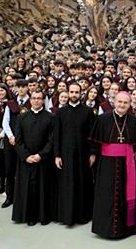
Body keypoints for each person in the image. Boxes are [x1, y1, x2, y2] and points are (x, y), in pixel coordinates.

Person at [89, 91, 136, 238]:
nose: (122, 105)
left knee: (132, 192)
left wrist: (124, 151)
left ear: (129, 104)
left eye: (125, 102)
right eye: (119, 102)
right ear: (114, 102)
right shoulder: (102, 119)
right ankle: (104, 228)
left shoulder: (133, 121)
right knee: (106, 194)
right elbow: (94, 142)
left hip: (127, 163)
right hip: (106, 164)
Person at [53, 82, 96, 226]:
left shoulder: (88, 111)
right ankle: (66, 216)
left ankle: (82, 216)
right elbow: (56, 134)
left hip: (83, 154)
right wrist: (57, 155)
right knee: (67, 184)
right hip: (65, 154)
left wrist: (92, 153)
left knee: (82, 183)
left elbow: (92, 134)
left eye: (77, 92)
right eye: (71, 92)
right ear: (67, 93)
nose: (74, 95)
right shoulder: (60, 112)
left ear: (81, 93)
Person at [12, 91, 56, 226]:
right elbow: (18, 140)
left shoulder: (51, 117)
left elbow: (52, 140)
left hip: (43, 160)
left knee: (44, 188)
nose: (36, 101)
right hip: (26, 160)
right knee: (27, 189)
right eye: (34, 98)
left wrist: (41, 155)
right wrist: (26, 156)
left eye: (39, 98)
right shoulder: (22, 117)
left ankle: (43, 216)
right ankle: (29, 216)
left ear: (43, 100)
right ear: (30, 100)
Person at [1, 80, 31, 208]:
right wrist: (11, 136)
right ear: (16, 88)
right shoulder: (11, 103)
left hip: (27, 142)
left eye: (24, 87)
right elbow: (5, 122)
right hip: (11, 141)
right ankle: (9, 197)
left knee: (25, 170)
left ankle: (24, 197)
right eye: (19, 87)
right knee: (9, 169)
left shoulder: (33, 102)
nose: (22, 89)